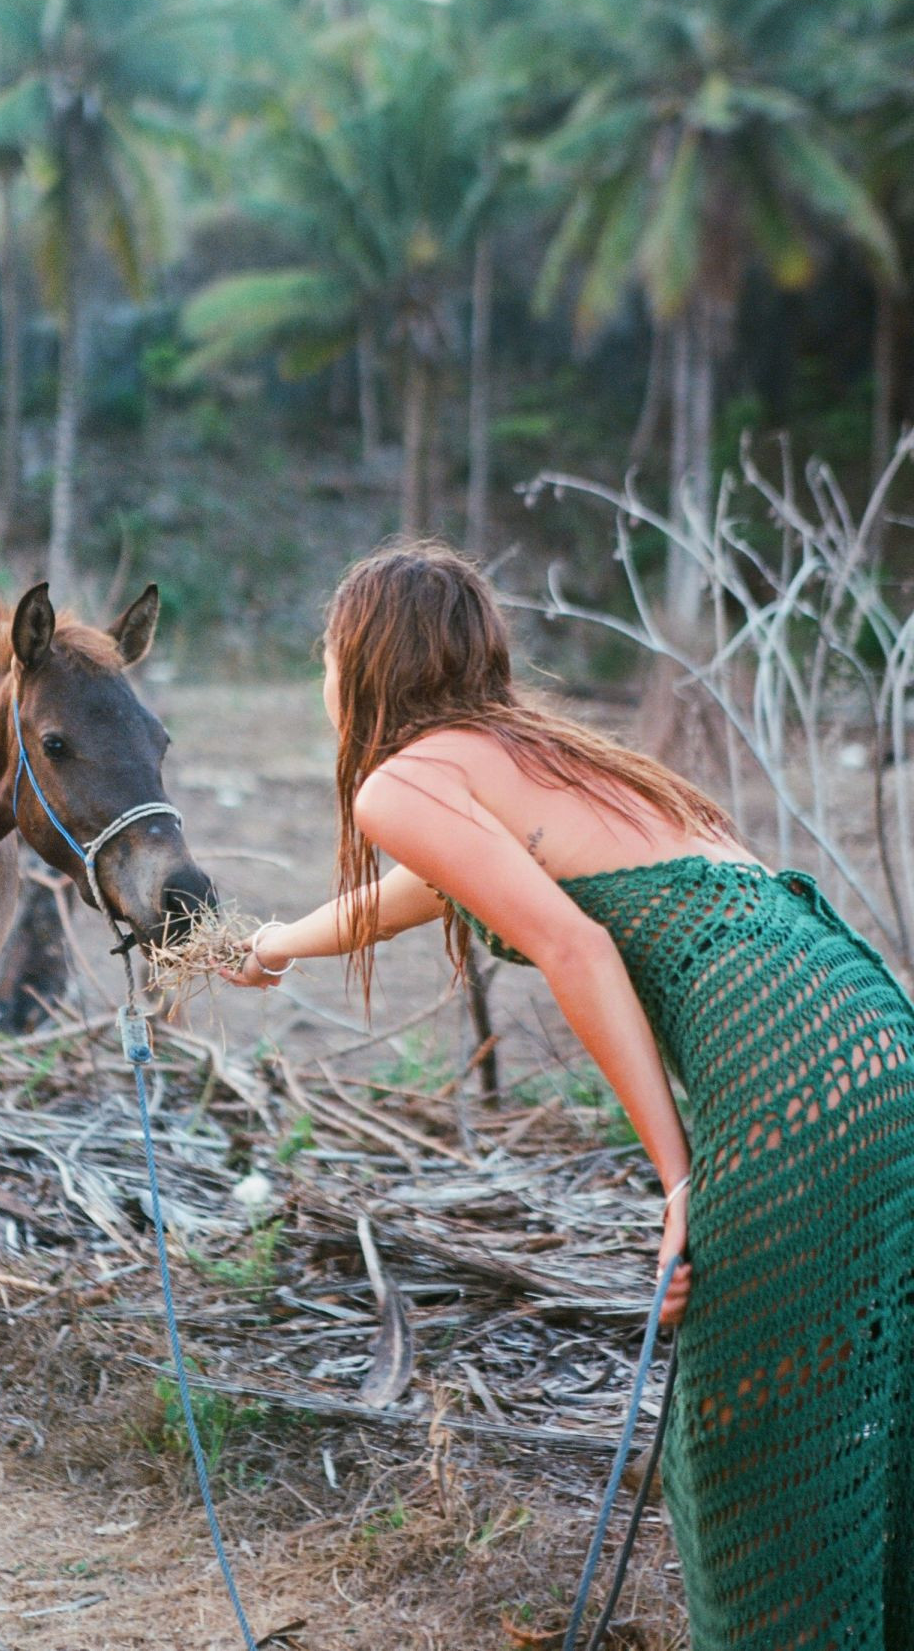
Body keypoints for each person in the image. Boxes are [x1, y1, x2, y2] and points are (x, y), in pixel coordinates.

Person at [223, 540, 914, 1650]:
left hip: (789, 1068)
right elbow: (413, 896)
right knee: (836, 1401)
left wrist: (679, 1173)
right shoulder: (534, 754)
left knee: (740, 1448)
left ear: (359, 660)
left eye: (326, 650)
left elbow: (575, 946)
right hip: (872, 1035)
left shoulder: (402, 780)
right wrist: (275, 943)